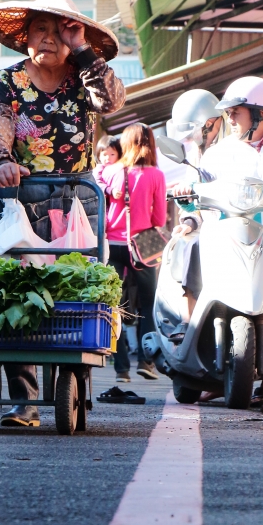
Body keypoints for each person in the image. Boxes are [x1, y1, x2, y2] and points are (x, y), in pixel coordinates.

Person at [0, 0, 125, 426]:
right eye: (39, 29)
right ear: (24, 37)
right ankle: (23, 400)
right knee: (16, 292)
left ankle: (73, 386)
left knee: (75, 294)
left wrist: (82, 48)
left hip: (77, 199)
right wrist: (1, 161)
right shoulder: (7, 81)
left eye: (59, 30)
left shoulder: (85, 77)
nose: (48, 38)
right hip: (19, 199)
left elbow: (113, 102)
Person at [171, 76, 263, 343]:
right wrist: (186, 196)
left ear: (260, 113)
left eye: (236, 112)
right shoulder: (219, 153)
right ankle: (189, 320)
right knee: (193, 246)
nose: (230, 119)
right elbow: (198, 184)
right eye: (228, 113)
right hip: (227, 233)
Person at [95, 123, 166, 383]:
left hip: (113, 245)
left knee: (113, 305)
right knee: (147, 305)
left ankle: (121, 368)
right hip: (143, 246)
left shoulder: (113, 171)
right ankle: (146, 362)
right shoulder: (156, 175)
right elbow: (158, 217)